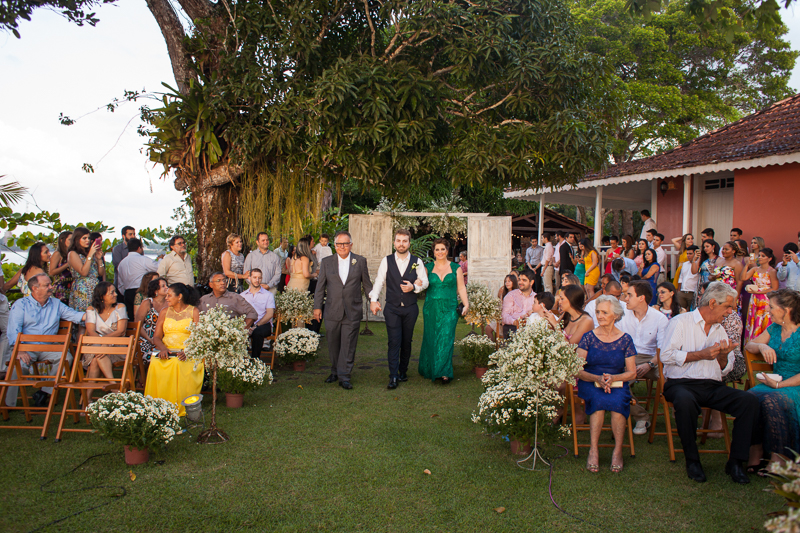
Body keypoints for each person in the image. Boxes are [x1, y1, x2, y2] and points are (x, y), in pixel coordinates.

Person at [659, 282, 760, 484]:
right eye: (728, 307)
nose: (731, 312)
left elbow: (725, 368)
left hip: (711, 385)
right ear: (713, 303)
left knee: (749, 401)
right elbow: (666, 356)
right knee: (685, 401)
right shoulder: (681, 322)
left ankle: (736, 462)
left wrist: (722, 356)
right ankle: (693, 460)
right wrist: (701, 355)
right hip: (681, 384)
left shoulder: (719, 329)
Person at [4, 273, 86, 407]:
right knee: (16, 366)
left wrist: (96, 315)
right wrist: (19, 350)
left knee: (67, 358)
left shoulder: (56, 303)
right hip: (27, 348)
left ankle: (44, 392)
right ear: (35, 288)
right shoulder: (21, 305)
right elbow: (13, 330)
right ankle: (7, 405)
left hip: (50, 347)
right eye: (47, 285)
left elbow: (74, 315)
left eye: (50, 284)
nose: (51, 287)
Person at [576, 296, 637, 473]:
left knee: (618, 403)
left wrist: (614, 378)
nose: (600, 316)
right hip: (590, 381)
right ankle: (593, 450)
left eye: (604, 312)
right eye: (597, 312)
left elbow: (632, 372)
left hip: (616, 381)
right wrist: (596, 379)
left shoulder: (625, 339)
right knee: (598, 402)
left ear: (616, 315)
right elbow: (577, 369)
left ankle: (617, 451)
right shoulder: (588, 338)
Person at [746, 289, 800, 472]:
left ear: (787, 309)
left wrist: (780, 385)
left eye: (772, 307)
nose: (768, 311)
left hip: (794, 385)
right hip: (774, 383)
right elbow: (749, 345)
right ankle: (756, 451)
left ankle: (780, 458)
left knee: (772, 400)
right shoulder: (774, 328)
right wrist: (762, 345)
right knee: (750, 398)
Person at [369, 229, 429, 389]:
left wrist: (414, 287)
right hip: (392, 309)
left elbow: (425, 281)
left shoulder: (417, 261)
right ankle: (393, 376)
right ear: (394, 242)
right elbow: (379, 281)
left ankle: (403, 371)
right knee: (394, 341)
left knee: (406, 341)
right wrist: (373, 300)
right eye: (398, 240)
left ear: (409, 243)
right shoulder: (386, 261)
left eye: (404, 241)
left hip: (410, 309)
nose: (401, 244)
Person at [313, 231, 373, 390]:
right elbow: (320, 288)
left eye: (345, 244)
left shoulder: (360, 261)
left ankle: (344, 376)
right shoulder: (326, 262)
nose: (342, 247)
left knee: (348, 344)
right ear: (335, 245)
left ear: (351, 245)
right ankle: (334, 371)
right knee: (333, 344)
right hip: (332, 310)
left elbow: (367, 285)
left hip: (352, 310)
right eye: (339, 244)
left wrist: (373, 300)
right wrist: (317, 307)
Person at [617, 280, 668, 434]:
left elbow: (662, 349)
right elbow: (617, 341)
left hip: (653, 359)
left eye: (629, 295)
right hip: (628, 357)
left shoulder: (659, 318)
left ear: (641, 298)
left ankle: (678, 414)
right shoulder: (622, 315)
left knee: (671, 379)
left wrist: (650, 364)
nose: (625, 298)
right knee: (618, 383)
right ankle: (641, 416)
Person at [144, 283, 202, 416]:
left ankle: (180, 405)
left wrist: (187, 351)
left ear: (179, 296)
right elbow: (157, 337)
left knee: (178, 363)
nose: (167, 298)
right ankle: (159, 405)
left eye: (169, 295)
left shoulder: (193, 311)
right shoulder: (164, 312)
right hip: (167, 351)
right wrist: (163, 349)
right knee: (156, 362)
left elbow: (198, 337)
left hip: (187, 352)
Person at [417, 238, 468, 385]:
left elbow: (461, 288)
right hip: (431, 308)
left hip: (449, 308)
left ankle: (444, 371)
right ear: (433, 252)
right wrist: (417, 283)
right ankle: (430, 367)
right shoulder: (426, 268)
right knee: (431, 337)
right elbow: (421, 284)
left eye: (442, 249)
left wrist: (466, 304)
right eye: (437, 249)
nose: (440, 252)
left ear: (447, 250)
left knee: (446, 338)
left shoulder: (456, 268)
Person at [83, 282, 129, 403]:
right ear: (102, 296)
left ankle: (87, 400)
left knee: (96, 359)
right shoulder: (91, 310)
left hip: (117, 345)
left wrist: (106, 343)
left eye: (115, 291)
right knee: (96, 357)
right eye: (111, 292)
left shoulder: (120, 308)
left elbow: (121, 331)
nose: (115, 295)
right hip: (97, 344)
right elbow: (91, 331)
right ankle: (114, 387)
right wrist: (102, 344)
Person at [116, 238, 158, 320]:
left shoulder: (122, 263)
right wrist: (160, 259)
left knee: (131, 319)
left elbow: (120, 284)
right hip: (141, 292)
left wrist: (125, 293)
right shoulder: (143, 259)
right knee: (144, 318)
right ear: (139, 248)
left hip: (127, 293)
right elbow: (158, 268)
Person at [743, 248, 779, 341]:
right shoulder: (755, 269)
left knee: (764, 320)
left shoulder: (772, 271)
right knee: (754, 320)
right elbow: (743, 277)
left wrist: (758, 292)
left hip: (765, 299)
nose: (760, 257)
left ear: (769, 259)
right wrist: (747, 264)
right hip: (754, 298)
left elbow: (774, 288)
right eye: (759, 255)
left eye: (763, 256)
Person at [241, 269, 276, 361]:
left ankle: (255, 361)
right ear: (249, 278)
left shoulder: (268, 295)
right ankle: (240, 361)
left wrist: (256, 325)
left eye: (259, 278)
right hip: (247, 323)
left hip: (263, 324)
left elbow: (269, 314)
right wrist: (247, 326)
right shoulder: (243, 295)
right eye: (254, 277)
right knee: (238, 331)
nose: (257, 280)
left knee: (257, 333)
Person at [68, 227, 104, 313]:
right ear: (77, 239)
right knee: (85, 317)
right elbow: (83, 272)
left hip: (94, 288)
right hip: (82, 289)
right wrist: (90, 255)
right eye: (84, 238)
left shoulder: (88, 253)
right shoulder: (73, 253)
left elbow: (100, 273)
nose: (87, 240)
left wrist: (99, 259)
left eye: (88, 238)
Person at [135, 277, 168, 362]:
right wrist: (150, 339)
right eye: (163, 286)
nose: (167, 288)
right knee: (152, 355)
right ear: (155, 290)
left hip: (163, 339)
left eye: (167, 285)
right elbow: (138, 324)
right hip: (146, 338)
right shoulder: (147, 303)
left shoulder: (169, 303)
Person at [501, 269, 537, 338]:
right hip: (512, 327)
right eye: (519, 279)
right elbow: (504, 316)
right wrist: (515, 322)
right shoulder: (511, 295)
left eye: (524, 280)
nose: (520, 282)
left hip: (530, 329)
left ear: (531, 282)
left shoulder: (536, 298)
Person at [48, 231, 74, 305]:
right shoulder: (57, 254)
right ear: (62, 240)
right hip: (61, 287)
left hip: (72, 287)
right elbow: (51, 272)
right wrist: (67, 265)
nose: (72, 242)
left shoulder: (72, 254)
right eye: (69, 239)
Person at [111, 225, 135, 294]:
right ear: (123, 236)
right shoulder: (117, 249)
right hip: (120, 284)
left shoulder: (138, 249)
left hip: (134, 284)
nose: (133, 236)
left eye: (133, 234)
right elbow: (119, 266)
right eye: (130, 234)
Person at [677, 246, 700, 310]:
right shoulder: (685, 264)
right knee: (680, 311)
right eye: (687, 253)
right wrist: (679, 291)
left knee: (692, 311)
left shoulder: (698, 264)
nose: (688, 255)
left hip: (692, 292)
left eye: (690, 254)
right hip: (682, 292)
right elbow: (681, 278)